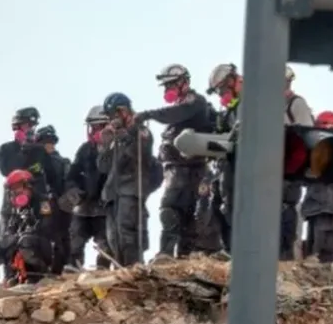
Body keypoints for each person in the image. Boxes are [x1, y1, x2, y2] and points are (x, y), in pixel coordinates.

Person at [135, 64, 217, 259]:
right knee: (179, 213)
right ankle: (174, 255)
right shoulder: (184, 107)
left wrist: (148, 114)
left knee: (174, 210)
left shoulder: (194, 102)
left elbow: (177, 113)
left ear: (184, 83)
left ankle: (173, 253)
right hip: (177, 169)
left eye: (171, 85)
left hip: (189, 169)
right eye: (166, 86)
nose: (167, 90)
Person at [98, 93, 157, 267]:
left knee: (128, 234)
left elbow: (139, 153)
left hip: (131, 190)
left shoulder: (140, 130)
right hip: (111, 194)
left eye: (115, 115)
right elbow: (103, 166)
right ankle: (120, 270)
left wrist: (123, 136)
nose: (113, 120)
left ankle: (133, 269)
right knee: (113, 237)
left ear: (124, 111)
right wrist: (106, 144)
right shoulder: (114, 137)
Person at [0, 107, 58, 238]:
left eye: (32, 126)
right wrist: (24, 150)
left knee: (49, 225)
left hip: (40, 198)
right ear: (17, 126)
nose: (30, 129)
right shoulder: (6, 149)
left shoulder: (40, 151)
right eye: (26, 125)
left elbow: (53, 175)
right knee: (4, 233)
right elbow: (6, 170)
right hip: (15, 198)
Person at [0, 170, 54, 285]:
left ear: (28, 186)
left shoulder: (43, 202)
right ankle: (11, 277)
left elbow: (47, 227)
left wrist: (30, 227)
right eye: (12, 189)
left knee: (25, 240)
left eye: (17, 187)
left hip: (41, 246)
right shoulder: (15, 211)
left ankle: (39, 275)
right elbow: (6, 234)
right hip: (21, 243)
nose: (15, 192)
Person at [63, 106, 111, 269]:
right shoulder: (84, 150)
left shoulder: (118, 150)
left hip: (106, 209)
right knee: (74, 241)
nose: (96, 131)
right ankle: (73, 269)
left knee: (106, 244)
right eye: (93, 127)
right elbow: (72, 175)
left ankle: (102, 271)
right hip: (83, 207)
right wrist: (73, 190)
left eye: (100, 127)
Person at [301, 110, 333, 264]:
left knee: (322, 253)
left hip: (328, 207)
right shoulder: (317, 148)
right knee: (312, 250)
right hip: (316, 205)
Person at [280, 65, 315, 260]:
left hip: (289, 172)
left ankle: (283, 261)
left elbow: (306, 138)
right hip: (270, 170)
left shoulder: (296, 104)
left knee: (285, 215)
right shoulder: (267, 106)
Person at [207, 63, 241, 251]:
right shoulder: (228, 112)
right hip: (226, 166)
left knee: (235, 208)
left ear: (231, 81)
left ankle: (238, 249)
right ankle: (228, 249)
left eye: (221, 89)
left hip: (244, 167)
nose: (221, 95)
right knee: (218, 206)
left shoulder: (253, 102)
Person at [35, 125, 73, 274]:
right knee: (51, 234)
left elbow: (69, 183)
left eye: (51, 141)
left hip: (57, 203)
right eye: (46, 141)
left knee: (60, 235)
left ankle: (62, 266)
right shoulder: (38, 163)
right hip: (47, 203)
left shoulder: (62, 162)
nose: (48, 144)